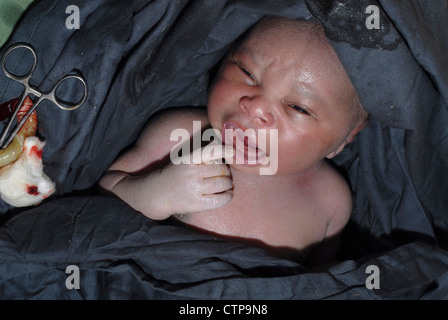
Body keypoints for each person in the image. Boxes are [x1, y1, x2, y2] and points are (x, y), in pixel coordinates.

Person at [99, 16, 369, 266]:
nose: (255, 107)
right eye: (247, 73)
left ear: (344, 140)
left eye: (299, 108)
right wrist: (159, 192)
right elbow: (105, 195)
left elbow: (321, 282)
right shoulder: (181, 137)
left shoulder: (331, 201)